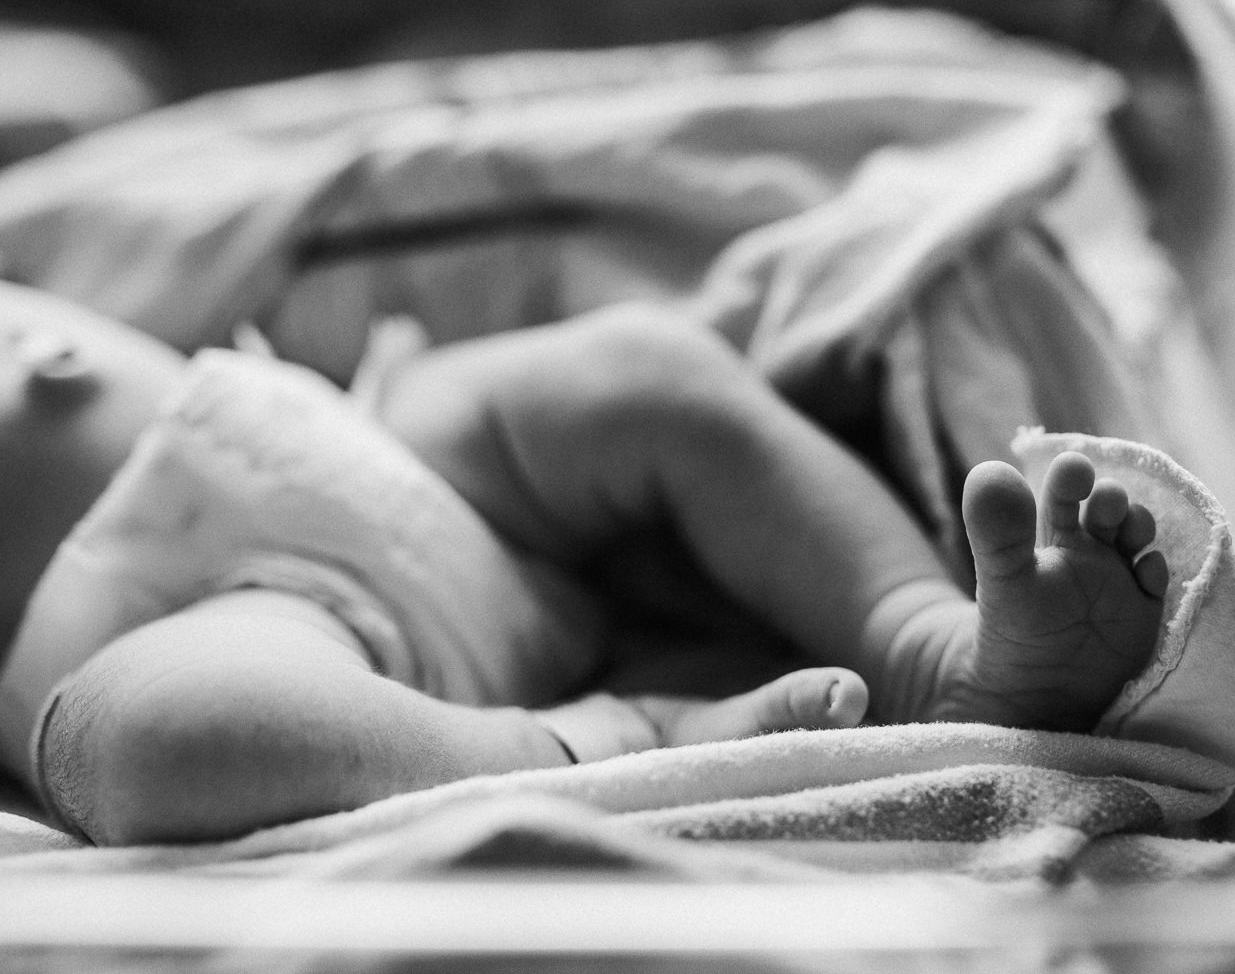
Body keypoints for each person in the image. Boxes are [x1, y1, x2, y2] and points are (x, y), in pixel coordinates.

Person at [0, 286, 1168, 845]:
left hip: (357, 441)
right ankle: (612, 740)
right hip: (186, 611)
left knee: (641, 368)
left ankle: (919, 638)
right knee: (170, 741)